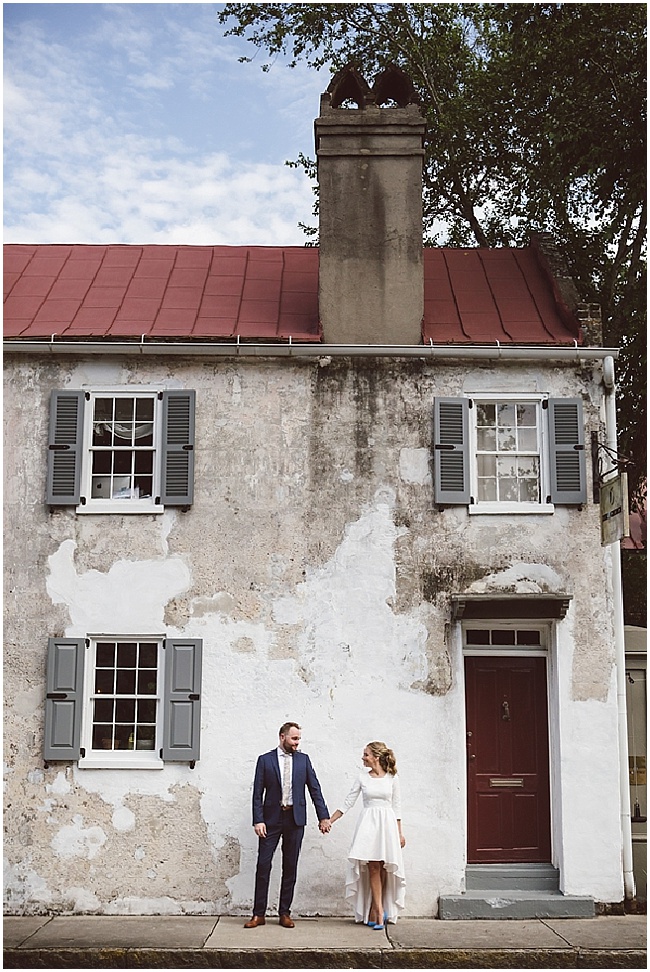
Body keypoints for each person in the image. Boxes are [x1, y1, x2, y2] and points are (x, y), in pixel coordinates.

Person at [244, 721, 331, 928]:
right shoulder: (265, 760)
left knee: (290, 867)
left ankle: (284, 913)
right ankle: (259, 914)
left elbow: (314, 789)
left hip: (295, 819)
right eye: (294, 738)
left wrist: (323, 816)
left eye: (299, 738)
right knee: (263, 865)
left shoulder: (303, 760)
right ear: (282, 737)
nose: (297, 743)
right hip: (271, 820)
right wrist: (258, 820)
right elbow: (257, 794)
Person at [330, 741, 406, 929]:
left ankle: (376, 907)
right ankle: (379, 912)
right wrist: (330, 820)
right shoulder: (362, 778)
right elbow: (348, 802)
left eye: (366, 754)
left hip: (387, 825)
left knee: (384, 867)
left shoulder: (392, 778)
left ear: (376, 757)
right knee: (373, 867)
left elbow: (397, 807)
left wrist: (400, 833)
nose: (363, 758)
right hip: (368, 825)